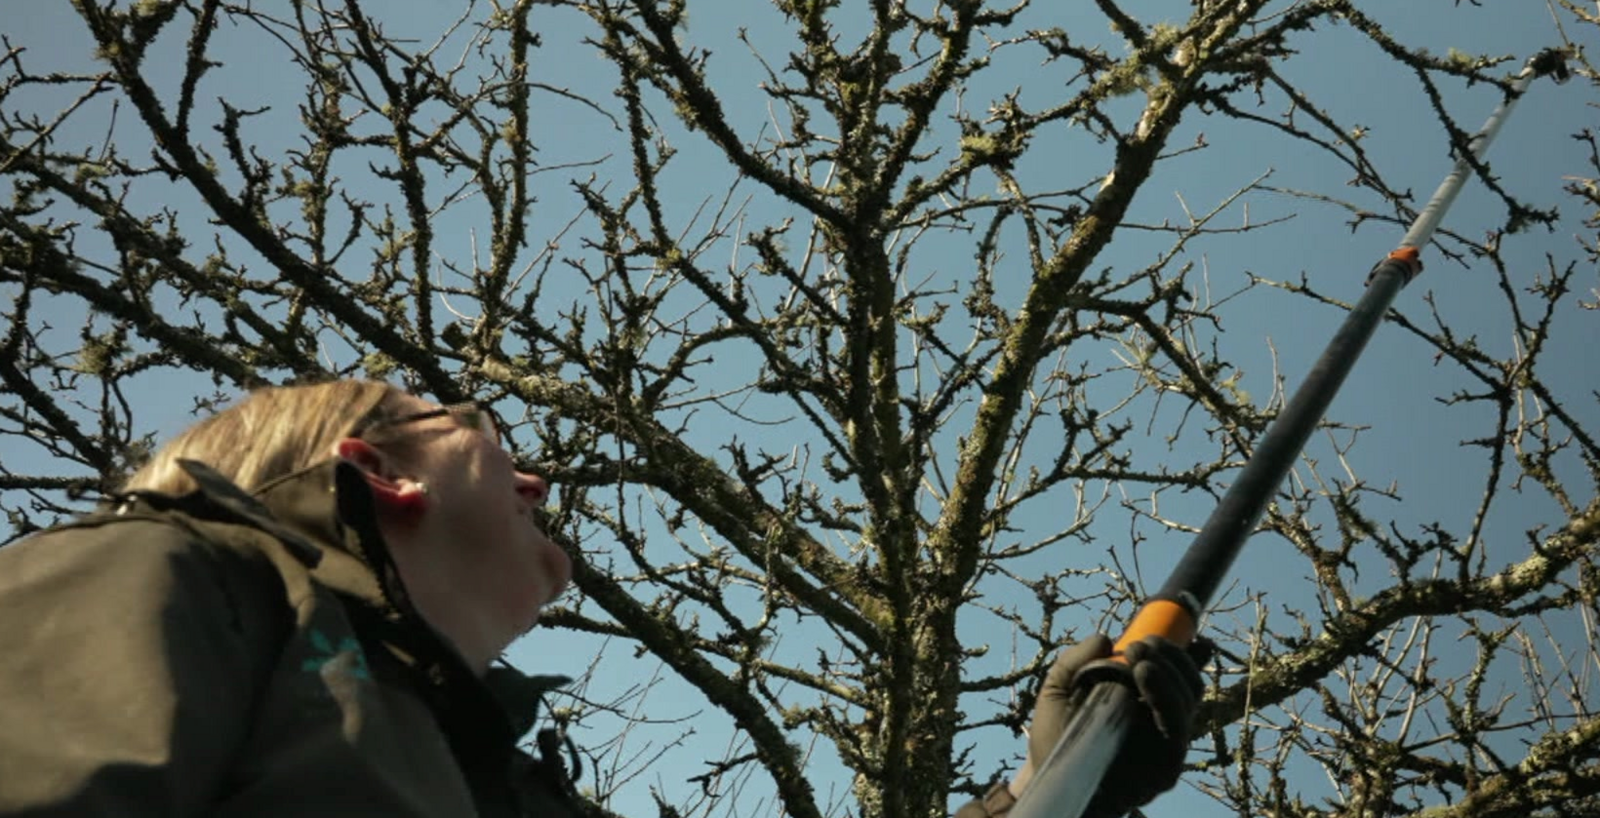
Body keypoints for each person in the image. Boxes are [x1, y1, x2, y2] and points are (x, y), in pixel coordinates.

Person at [0, 379, 1202, 817]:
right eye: (478, 431)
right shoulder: (174, 581)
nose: (534, 475)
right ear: (377, 470)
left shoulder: (512, 789)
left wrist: (1060, 788)